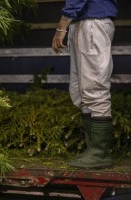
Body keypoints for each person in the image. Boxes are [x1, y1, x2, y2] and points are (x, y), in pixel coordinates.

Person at [52, 1, 118, 168]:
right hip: (83, 23)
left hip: (93, 23)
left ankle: (99, 153)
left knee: (94, 88)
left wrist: (61, 28)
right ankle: (92, 150)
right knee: (80, 91)